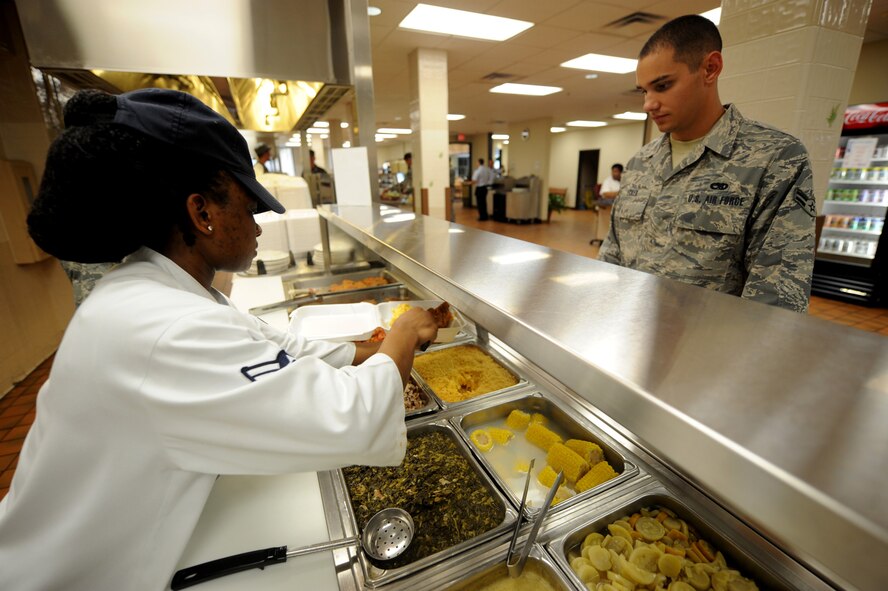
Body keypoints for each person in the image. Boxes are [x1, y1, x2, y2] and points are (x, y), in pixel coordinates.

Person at [0, 88, 438, 590]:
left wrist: (373, 349)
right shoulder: (166, 331)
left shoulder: (154, 289)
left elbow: (277, 348)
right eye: (248, 208)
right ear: (201, 212)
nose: (256, 227)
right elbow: (352, 419)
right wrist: (401, 332)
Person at [598, 15, 815, 313]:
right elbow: (611, 257)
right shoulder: (640, 163)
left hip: (709, 347)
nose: (648, 103)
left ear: (710, 69)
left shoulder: (774, 158)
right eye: (644, 91)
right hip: (631, 335)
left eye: (662, 86)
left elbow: (777, 295)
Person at [591, 163, 623, 246]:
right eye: (613, 171)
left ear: (621, 172)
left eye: (616, 171)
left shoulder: (624, 181)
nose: (614, 173)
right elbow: (605, 194)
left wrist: (616, 194)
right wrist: (619, 193)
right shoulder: (608, 181)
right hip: (606, 207)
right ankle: (604, 238)